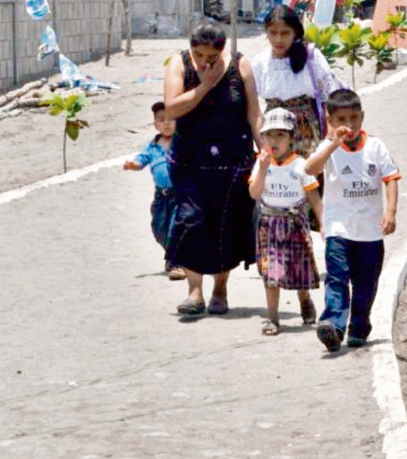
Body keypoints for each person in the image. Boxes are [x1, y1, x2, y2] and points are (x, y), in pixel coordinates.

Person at [163, 22, 262, 316]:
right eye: (199, 54)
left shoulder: (240, 64)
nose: (205, 61)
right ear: (191, 48)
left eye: (211, 56)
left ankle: (220, 288)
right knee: (191, 220)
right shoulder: (179, 63)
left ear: (222, 50)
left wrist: (266, 151)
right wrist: (205, 85)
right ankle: (194, 291)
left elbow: (253, 112)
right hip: (190, 159)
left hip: (233, 159)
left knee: (226, 223)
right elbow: (172, 109)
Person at [304, 89, 400, 352]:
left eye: (354, 118)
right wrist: (333, 143)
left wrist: (390, 212)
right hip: (338, 228)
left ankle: (359, 327)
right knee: (337, 278)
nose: (349, 124)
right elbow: (310, 169)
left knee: (366, 284)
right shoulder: (328, 148)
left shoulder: (376, 146)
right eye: (342, 119)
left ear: (362, 117)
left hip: (370, 231)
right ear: (330, 121)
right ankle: (333, 325)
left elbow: (391, 178)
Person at [249, 107, 323, 337]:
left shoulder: (301, 165)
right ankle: (272, 317)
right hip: (269, 224)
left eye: (280, 135)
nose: (274, 140)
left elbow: (314, 198)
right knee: (271, 273)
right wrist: (263, 169)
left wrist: (323, 225)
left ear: (291, 137)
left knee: (299, 268)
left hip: (294, 223)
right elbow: (254, 193)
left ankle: (304, 298)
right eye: (269, 135)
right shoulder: (261, 164)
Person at [251, 5, 346, 161]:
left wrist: (330, 134)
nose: (278, 39)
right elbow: (253, 108)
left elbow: (330, 97)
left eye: (285, 33)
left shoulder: (311, 57)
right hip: (273, 134)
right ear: (266, 32)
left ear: (294, 32)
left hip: (305, 132)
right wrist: (260, 142)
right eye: (273, 33)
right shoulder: (260, 63)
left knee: (307, 173)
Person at [123, 101, 186, 281]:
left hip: (180, 194)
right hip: (161, 197)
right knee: (158, 228)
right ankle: (172, 254)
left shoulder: (183, 143)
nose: (166, 123)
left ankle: (177, 263)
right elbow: (141, 160)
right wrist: (133, 165)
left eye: (171, 119)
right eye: (161, 120)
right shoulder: (151, 147)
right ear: (155, 124)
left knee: (176, 227)